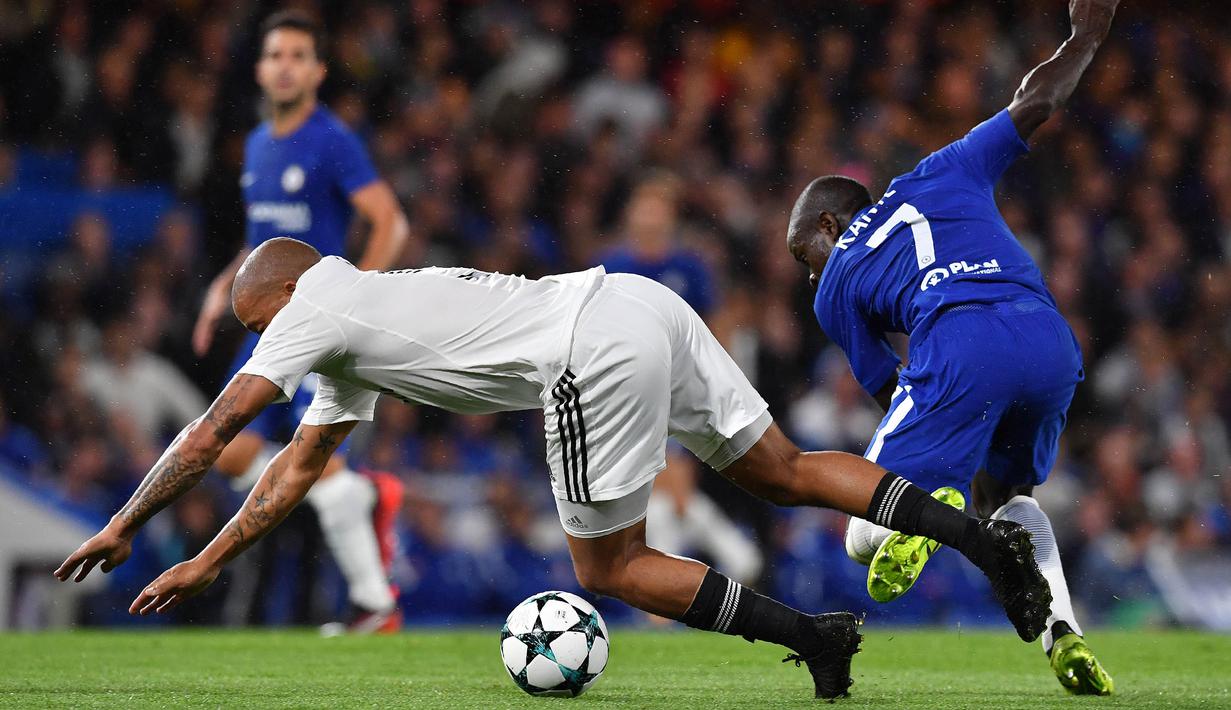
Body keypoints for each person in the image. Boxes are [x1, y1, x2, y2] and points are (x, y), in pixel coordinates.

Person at [57, 238, 1053, 700]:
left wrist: (129, 522)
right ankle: (981, 538)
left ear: (278, 293)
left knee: (608, 567)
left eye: (252, 327)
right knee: (783, 467)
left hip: (586, 348)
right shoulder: (347, 325)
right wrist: (211, 556)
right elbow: (292, 465)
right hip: (636, 300)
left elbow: (211, 430)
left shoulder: (311, 309)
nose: (255, 345)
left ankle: (818, 637)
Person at [785, 0, 1120, 695]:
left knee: (864, 520)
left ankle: (924, 518)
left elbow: (890, 391)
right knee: (1010, 497)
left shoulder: (833, 283)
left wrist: (939, 477)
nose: (808, 271)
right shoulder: (944, 169)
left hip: (962, 340)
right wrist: (1085, 35)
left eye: (803, 255)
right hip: (1048, 338)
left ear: (827, 222)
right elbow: (1035, 101)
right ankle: (1065, 634)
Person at [190, 11, 411, 632]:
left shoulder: (332, 139)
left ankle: (375, 605)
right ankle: (361, 499)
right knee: (231, 452)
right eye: (275, 55)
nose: (284, 65)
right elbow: (260, 246)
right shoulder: (259, 145)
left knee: (305, 457)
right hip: (271, 327)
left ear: (316, 71)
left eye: (297, 55)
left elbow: (391, 221)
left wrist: (356, 295)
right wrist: (218, 291)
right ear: (261, 69)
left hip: (319, 327)